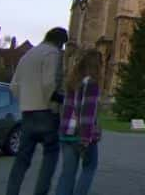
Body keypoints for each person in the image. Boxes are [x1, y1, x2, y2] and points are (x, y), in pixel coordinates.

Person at [6, 27, 67, 195]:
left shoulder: (28, 55)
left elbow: (14, 86)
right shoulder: (52, 53)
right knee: (50, 155)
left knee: (22, 159)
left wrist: (26, 102)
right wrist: (58, 101)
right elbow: (49, 83)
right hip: (46, 113)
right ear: (59, 41)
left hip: (27, 113)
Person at [56, 49, 102, 195]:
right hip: (81, 135)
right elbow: (87, 114)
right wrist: (85, 139)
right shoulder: (92, 84)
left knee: (67, 174)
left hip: (66, 133)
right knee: (89, 168)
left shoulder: (72, 82)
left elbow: (67, 108)